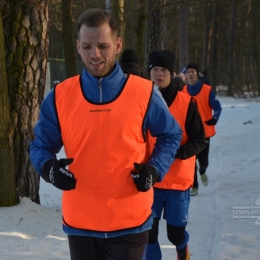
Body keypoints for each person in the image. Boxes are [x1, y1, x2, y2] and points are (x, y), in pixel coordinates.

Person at [29, 9, 182, 260]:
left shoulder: (144, 92)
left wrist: (154, 170)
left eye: (103, 45)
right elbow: (40, 145)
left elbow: (171, 135)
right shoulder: (61, 96)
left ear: (118, 45)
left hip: (130, 220)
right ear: (78, 46)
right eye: (87, 46)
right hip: (81, 221)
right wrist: (49, 168)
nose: (95, 54)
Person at [143, 50, 206, 260]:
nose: (159, 74)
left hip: (178, 182)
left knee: (175, 234)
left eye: (164, 70)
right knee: (148, 234)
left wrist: (176, 152)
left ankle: (182, 249)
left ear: (171, 74)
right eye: (154, 70)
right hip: (150, 180)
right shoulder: (141, 101)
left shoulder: (187, 104)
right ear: (149, 73)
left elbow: (199, 140)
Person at [182, 62, 222, 196]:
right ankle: (194, 186)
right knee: (191, 161)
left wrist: (214, 118)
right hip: (189, 133)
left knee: (203, 160)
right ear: (186, 76)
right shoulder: (183, 91)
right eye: (188, 72)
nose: (190, 74)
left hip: (205, 132)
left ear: (197, 74)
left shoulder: (207, 90)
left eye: (193, 71)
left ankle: (203, 171)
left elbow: (217, 107)